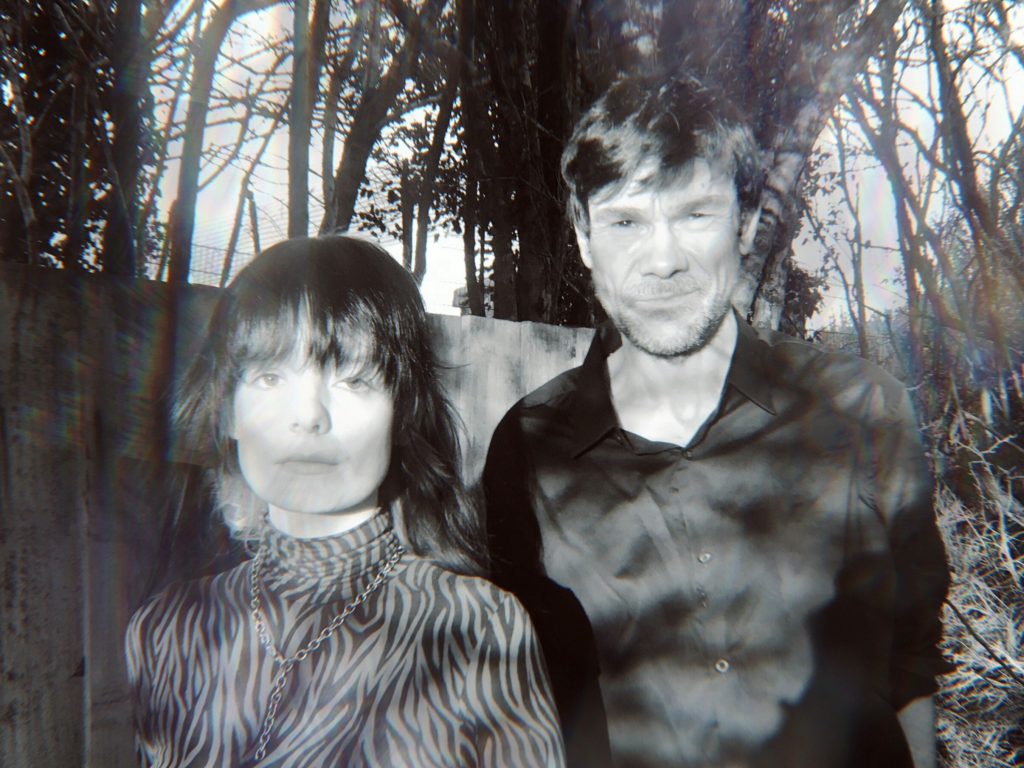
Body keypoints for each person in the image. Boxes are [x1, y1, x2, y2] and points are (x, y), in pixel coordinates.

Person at [483, 71, 950, 768]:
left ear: (748, 221)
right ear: (583, 237)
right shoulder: (527, 449)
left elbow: (912, 660)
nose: (663, 258)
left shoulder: (860, 411)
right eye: (625, 221)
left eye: (695, 213)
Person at [126, 235, 565, 767]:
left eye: (354, 380)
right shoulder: (165, 633)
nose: (309, 415)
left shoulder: (479, 629)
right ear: (226, 413)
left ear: (403, 412)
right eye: (269, 376)